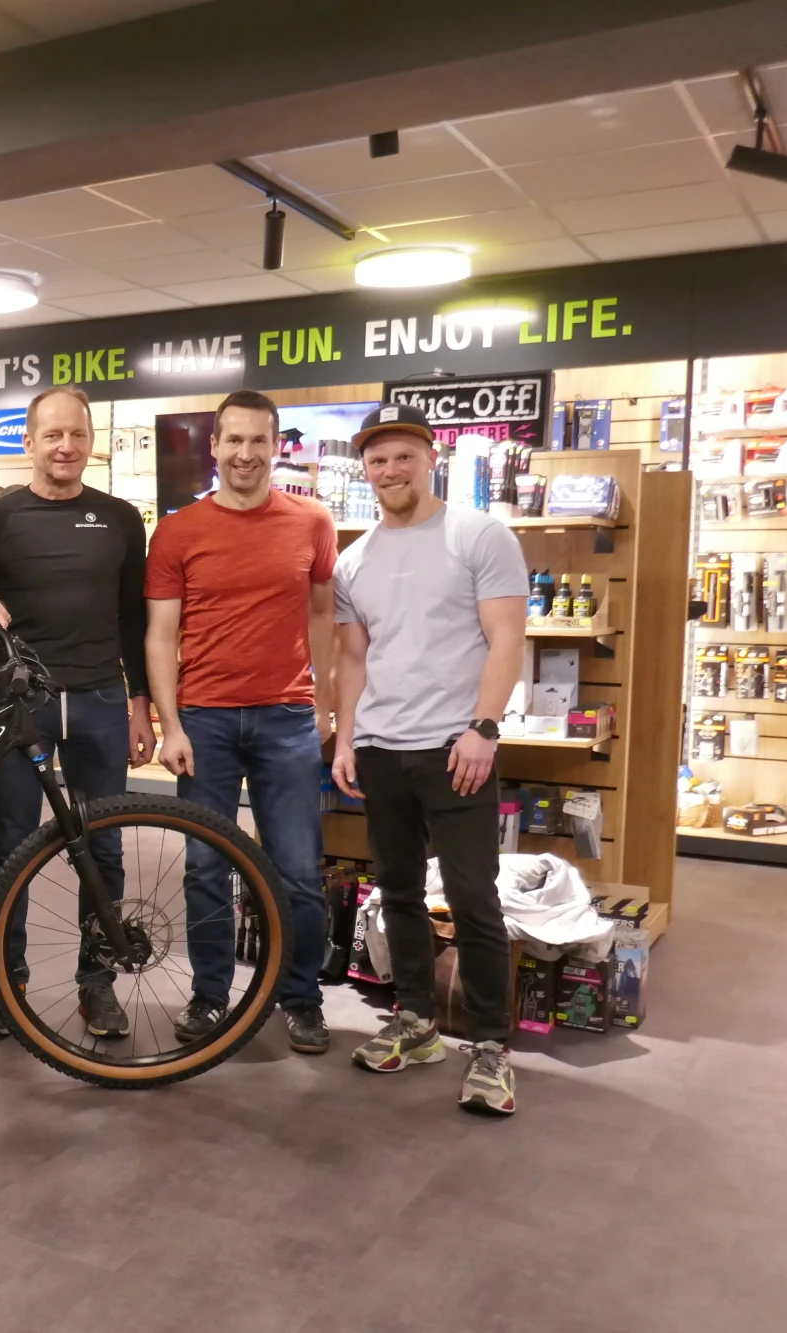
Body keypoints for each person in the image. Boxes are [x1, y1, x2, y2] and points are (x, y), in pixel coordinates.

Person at [328, 402, 528, 1116]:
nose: (389, 470)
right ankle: (416, 1022)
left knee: (475, 897)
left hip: (455, 747)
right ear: (366, 469)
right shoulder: (355, 558)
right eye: (377, 460)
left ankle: (493, 1050)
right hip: (382, 747)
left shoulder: (479, 535)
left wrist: (484, 726)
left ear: (430, 457)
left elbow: (507, 638)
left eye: (402, 456)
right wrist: (347, 737)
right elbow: (353, 657)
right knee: (397, 891)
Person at [145, 389, 339, 1056]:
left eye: (259, 441)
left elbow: (321, 616)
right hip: (204, 721)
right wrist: (170, 723)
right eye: (234, 440)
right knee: (205, 865)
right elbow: (159, 633)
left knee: (297, 871)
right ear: (215, 445)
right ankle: (210, 995)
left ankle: (302, 998)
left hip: (287, 717)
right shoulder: (178, 530)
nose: (246, 454)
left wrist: (325, 702)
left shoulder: (312, 521)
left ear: (276, 444)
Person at [0, 385, 150, 1042]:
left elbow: (135, 618)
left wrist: (141, 705)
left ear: (91, 441)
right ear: (28, 442)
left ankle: (95, 984)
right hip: (21, 705)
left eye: (77, 434)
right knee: (11, 842)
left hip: (103, 698)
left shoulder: (121, 518)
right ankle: (4, 982)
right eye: (52, 435)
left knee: (104, 845)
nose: (66, 446)